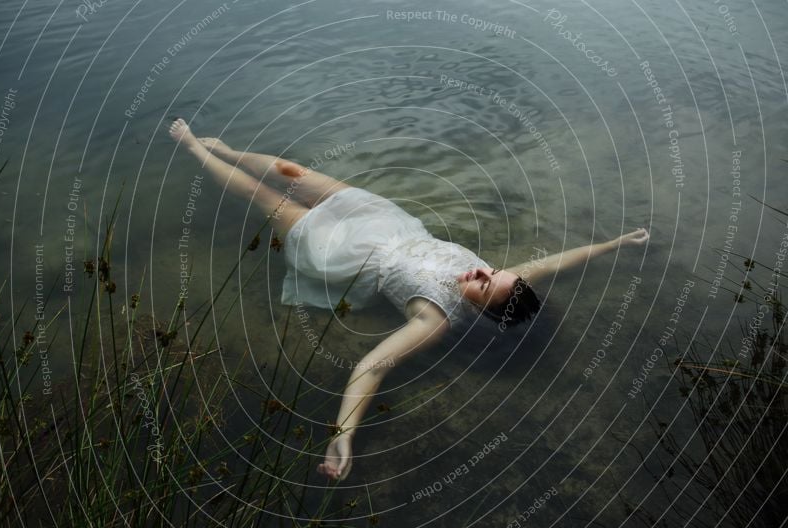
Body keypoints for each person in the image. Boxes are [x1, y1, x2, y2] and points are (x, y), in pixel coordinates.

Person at [168, 118, 650, 481]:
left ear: (479, 310)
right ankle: (229, 150)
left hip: (345, 256)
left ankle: (193, 149)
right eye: (493, 271)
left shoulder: (435, 320)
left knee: (266, 197)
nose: (481, 270)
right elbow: (555, 263)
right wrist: (614, 245)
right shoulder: (499, 282)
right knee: (290, 172)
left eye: (482, 284)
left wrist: (342, 436)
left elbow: (372, 367)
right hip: (387, 222)